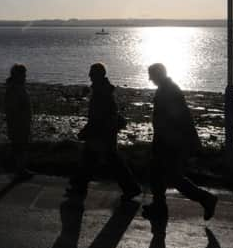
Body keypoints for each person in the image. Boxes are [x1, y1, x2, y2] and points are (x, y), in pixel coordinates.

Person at [143, 63, 218, 230]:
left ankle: (206, 199)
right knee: (157, 175)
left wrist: (177, 142)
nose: (150, 79)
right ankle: (158, 207)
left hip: (170, 143)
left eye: (151, 76)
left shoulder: (168, 91)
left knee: (172, 177)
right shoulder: (167, 89)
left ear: (158, 75)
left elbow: (180, 118)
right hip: (167, 141)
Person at [65, 63, 141, 201]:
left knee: (93, 160)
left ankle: (79, 188)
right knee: (101, 160)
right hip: (105, 133)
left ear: (97, 75)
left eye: (91, 73)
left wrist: (86, 131)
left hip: (101, 134)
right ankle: (131, 188)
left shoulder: (101, 93)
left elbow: (98, 117)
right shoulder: (103, 91)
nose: (89, 76)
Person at [4, 63, 33, 182]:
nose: (25, 77)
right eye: (23, 74)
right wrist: (21, 122)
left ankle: (17, 168)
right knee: (20, 147)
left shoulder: (16, 87)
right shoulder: (15, 89)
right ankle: (20, 170)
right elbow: (13, 109)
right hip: (19, 124)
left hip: (21, 123)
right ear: (18, 75)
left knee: (18, 147)